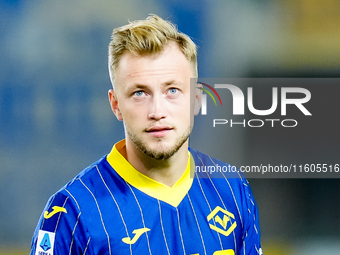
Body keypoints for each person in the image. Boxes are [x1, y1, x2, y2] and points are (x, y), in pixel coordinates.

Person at [30, 14, 262, 255]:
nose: (157, 111)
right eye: (140, 93)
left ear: (195, 100)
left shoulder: (232, 189)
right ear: (116, 104)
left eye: (173, 90)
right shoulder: (70, 212)